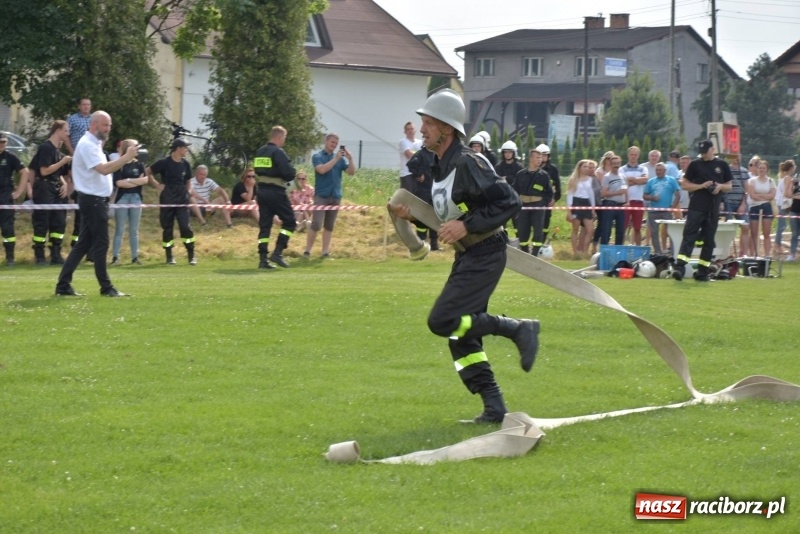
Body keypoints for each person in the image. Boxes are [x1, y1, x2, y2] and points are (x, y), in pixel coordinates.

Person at [388, 88, 539, 424]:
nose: (421, 128)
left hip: (486, 252)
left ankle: (517, 328)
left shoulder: (470, 162)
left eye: (427, 122)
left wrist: (465, 224)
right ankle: (494, 407)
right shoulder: (439, 165)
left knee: (441, 321)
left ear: (447, 128)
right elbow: (446, 215)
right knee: (460, 334)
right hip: (469, 255)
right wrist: (409, 215)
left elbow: (508, 201)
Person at [55, 111, 139, 297]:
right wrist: (126, 157)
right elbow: (103, 170)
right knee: (101, 243)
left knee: (83, 245)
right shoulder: (87, 146)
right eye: (104, 125)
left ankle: (63, 285)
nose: (108, 129)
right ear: (93, 125)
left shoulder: (94, 144)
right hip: (93, 201)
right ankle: (106, 288)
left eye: (109, 125)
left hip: (93, 200)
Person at [673, 140, 733, 282]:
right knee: (689, 236)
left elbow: (729, 186)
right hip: (696, 207)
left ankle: (702, 271)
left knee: (709, 240)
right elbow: (685, 185)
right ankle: (680, 268)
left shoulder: (722, 165)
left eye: (706, 151)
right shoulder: (695, 165)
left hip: (713, 209)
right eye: (702, 152)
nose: (704, 155)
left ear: (713, 149)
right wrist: (701, 186)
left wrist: (719, 186)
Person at [304, 133, 356, 258]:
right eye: (332, 142)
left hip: (335, 195)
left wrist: (350, 159)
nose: (334, 145)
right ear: (326, 142)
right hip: (322, 196)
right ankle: (307, 251)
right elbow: (321, 170)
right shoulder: (318, 156)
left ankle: (325, 252)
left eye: (336, 144)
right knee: (316, 224)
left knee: (329, 225)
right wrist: (336, 159)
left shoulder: (339, 159)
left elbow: (351, 172)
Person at [146, 139, 196, 265]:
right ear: (178, 148)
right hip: (167, 198)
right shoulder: (164, 162)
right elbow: (148, 171)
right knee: (167, 228)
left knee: (185, 227)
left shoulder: (186, 164)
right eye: (185, 147)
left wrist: (188, 191)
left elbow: (188, 181)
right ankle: (169, 256)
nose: (187, 150)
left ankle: (191, 255)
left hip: (182, 199)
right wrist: (157, 185)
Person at [254, 125, 297, 269]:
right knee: (290, 221)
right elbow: (289, 174)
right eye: (284, 138)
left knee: (265, 226)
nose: (284, 141)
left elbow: (257, 171)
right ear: (279, 137)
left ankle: (262, 259)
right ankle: (277, 253)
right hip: (276, 191)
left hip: (261, 191)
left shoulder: (260, 151)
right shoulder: (278, 152)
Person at [30, 120, 72, 266]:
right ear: (58, 131)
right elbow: (44, 170)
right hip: (44, 188)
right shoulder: (46, 148)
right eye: (66, 130)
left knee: (59, 222)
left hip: (56, 189)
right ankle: (40, 255)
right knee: (42, 222)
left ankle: (56, 254)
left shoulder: (57, 151)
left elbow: (58, 173)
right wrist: (63, 162)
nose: (68, 134)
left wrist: (65, 184)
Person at [111, 139, 148, 265]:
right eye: (135, 146)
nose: (138, 149)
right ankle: (115, 257)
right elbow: (119, 183)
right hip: (122, 198)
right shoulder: (119, 164)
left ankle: (135, 257)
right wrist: (134, 180)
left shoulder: (139, 164)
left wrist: (128, 180)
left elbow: (145, 180)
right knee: (120, 229)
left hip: (136, 198)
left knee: (134, 230)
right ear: (128, 148)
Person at [512, 147, 552, 256]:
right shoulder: (520, 174)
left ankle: (534, 254)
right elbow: (514, 190)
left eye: (541, 158)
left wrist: (542, 203)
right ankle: (525, 253)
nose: (540, 160)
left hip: (538, 207)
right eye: (537, 157)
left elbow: (549, 193)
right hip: (523, 206)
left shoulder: (544, 175)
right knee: (523, 231)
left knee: (538, 231)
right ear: (531, 159)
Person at [0, 133, 29, 266]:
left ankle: (10, 258)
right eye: (0, 142)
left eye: (4, 142)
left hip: (6, 195)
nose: (2, 144)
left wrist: (18, 192)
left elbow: (25, 172)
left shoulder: (10, 157)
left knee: (8, 229)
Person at [643, 162, 681, 256]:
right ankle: (657, 253)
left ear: (664, 171)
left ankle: (672, 252)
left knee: (670, 232)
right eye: (656, 170)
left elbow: (677, 195)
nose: (658, 172)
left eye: (660, 170)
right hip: (653, 211)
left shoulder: (671, 180)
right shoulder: (651, 181)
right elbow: (644, 196)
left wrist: (672, 207)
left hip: (666, 211)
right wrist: (652, 198)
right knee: (654, 233)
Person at [406, 144, 439, 250]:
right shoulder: (420, 154)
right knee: (422, 219)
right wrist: (419, 174)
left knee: (434, 218)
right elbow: (411, 164)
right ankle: (421, 243)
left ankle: (434, 244)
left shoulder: (437, 154)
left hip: (435, 191)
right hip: (423, 191)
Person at [566, 159, 597, 257]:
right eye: (584, 166)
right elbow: (570, 194)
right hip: (576, 203)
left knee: (590, 230)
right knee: (575, 229)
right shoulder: (573, 179)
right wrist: (569, 210)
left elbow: (591, 194)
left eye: (588, 167)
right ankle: (575, 252)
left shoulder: (590, 179)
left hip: (586, 204)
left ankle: (585, 251)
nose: (586, 169)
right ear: (579, 167)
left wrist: (593, 208)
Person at [746, 160, 776, 258]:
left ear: (767, 169)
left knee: (766, 233)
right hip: (754, 207)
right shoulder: (752, 181)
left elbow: (772, 195)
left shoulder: (771, 181)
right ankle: (753, 254)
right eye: (760, 168)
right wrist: (765, 196)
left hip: (767, 207)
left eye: (763, 168)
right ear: (757, 169)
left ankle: (767, 255)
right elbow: (752, 195)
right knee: (754, 233)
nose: (761, 170)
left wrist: (760, 195)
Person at [724, 155, 751, 257]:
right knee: (728, 228)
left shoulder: (744, 172)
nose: (736, 158)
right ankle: (726, 252)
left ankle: (743, 253)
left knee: (745, 227)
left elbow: (746, 190)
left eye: (737, 156)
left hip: (741, 202)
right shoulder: (726, 170)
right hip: (728, 202)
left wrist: (743, 204)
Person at [621, 146, 648, 245]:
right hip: (626, 201)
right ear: (628, 155)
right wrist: (638, 180)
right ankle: (621, 246)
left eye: (635, 155)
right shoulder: (622, 169)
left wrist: (631, 179)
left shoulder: (643, 168)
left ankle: (638, 248)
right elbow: (623, 182)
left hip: (638, 201)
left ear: (638, 156)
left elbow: (645, 180)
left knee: (637, 227)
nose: (633, 157)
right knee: (623, 226)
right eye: (632, 154)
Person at [599, 155, 628, 245]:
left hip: (621, 206)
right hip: (609, 204)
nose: (616, 165)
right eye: (614, 163)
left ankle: (618, 250)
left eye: (618, 163)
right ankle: (604, 250)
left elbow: (625, 190)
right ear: (610, 165)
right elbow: (603, 193)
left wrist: (628, 202)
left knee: (620, 231)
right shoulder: (607, 177)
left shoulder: (623, 176)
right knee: (606, 229)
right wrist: (617, 193)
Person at [592, 151, 615, 253]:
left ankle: (604, 245)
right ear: (604, 159)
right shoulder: (599, 171)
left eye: (611, 158)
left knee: (608, 224)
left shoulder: (615, 171)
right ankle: (594, 244)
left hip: (611, 200)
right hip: (600, 201)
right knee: (601, 223)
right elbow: (603, 186)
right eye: (608, 158)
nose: (609, 160)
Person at [538, 144, 561, 245]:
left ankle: (542, 243)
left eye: (545, 155)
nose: (543, 158)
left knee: (545, 223)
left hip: (547, 201)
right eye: (541, 155)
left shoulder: (552, 169)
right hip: (535, 201)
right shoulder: (533, 168)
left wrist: (555, 199)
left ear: (548, 156)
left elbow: (557, 185)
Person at [774, 160, 796, 256]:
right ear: (791, 168)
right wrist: (795, 196)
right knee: (782, 225)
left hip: (780, 203)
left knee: (781, 225)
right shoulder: (788, 178)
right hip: (784, 203)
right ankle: (777, 245)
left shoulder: (783, 177)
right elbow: (787, 193)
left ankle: (777, 245)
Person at [398, 121, 422, 192]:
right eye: (408, 129)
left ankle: (393, 202)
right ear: (405, 131)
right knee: (406, 197)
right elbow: (409, 154)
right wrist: (421, 156)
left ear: (415, 130)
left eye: (412, 129)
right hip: (406, 173)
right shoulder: (403, 142)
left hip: (417, 174)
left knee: (416, 197)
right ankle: (393, 202)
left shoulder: (420, 142)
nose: (410, 131)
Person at [785, 161, 800, 262]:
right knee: (795, 233)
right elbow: (788, 194)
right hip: (794, 209)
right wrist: (791, 184)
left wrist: (795, 196)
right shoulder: (796, 181)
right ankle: (792, 254)